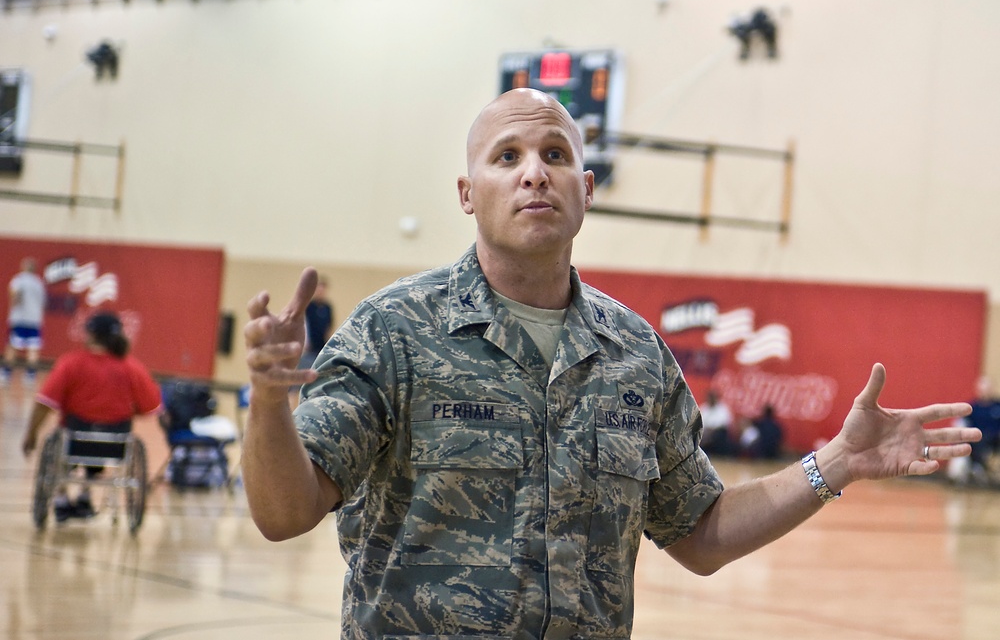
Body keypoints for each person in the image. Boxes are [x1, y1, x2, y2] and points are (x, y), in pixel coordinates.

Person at [242, 88, 980, 638]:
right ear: (468, 194)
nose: (535, 172)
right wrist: (269, 402)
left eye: (555, 155)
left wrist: (837, 462)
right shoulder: (393, 331)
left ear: (586, 190)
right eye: (508, 157)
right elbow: (283, 512)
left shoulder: (636, 356)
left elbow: (702, 532)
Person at [21, 311, 162, 522]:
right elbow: (151, 406)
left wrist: (31, 434)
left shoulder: (71, 363)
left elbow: (44, 404)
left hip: (74, 440)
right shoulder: (131, 367)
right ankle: (85, 494)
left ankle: (61, 497)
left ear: (90, 334)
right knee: (100, 443)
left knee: (66, 441)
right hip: (115, 445)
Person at [2, 257, 47, 387]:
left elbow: (14, 296)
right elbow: (43, 303)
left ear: (23, 267)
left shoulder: (18, 280)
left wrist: (16, 303)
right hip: (35, 320)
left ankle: (5, 373)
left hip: (19, 318)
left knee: (13, 346)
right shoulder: (39, 283)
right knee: (33, 348)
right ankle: (30, 376)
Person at [298, 275, 334, 371]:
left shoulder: (327, 307)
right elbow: (304, 325)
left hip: (321, 348)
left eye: (323, 289)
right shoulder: (308, 307)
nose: (320, 292)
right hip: (309, 349)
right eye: (318, 289)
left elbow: (329, 326)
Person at [700, 388, 735, 456]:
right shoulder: (703, 408)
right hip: (705, 433)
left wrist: (712, 430)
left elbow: (724, 423)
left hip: (718, 433)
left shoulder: (723, 409)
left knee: (720, 434)